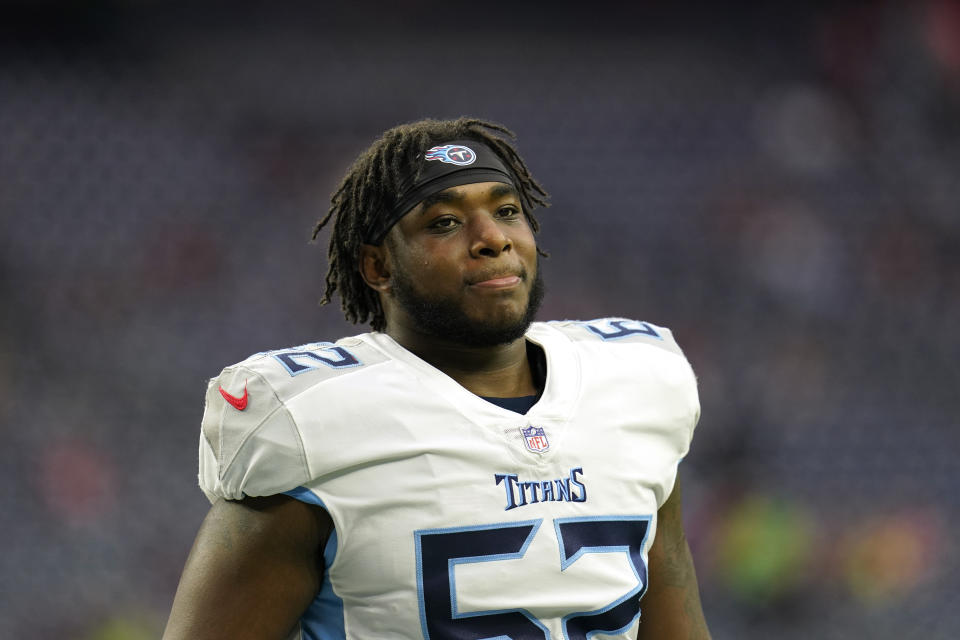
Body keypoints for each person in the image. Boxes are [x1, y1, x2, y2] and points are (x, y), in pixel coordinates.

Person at [163, 117, 711, 640]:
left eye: (507, 211)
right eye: (445, 223)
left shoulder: (635, 384)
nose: (492, 238)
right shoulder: (312, 425)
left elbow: (672, 615)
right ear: (378, 267)